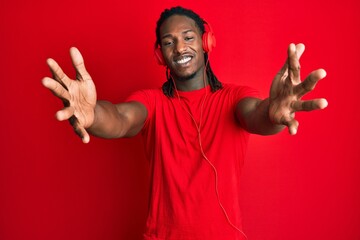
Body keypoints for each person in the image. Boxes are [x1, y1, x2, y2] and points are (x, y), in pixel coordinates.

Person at [42, 6, 327, 240]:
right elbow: (120, 119)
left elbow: (258, 116)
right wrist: (93, 114)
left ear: (206, 43)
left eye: (188, 37)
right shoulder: (152, 102)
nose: (179, 48)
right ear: (160, 55)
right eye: (168, 42)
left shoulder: (234, 97)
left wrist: (274, 114)